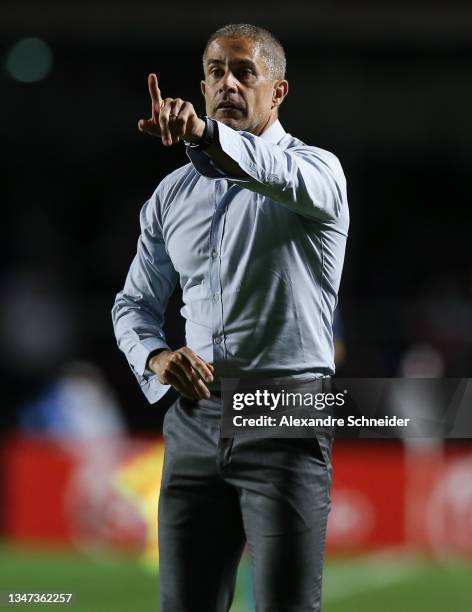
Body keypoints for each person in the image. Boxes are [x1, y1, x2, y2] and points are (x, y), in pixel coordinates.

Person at [112, 23, 349, 612]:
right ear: (202, 83)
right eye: (216, 71)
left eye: (245, 71)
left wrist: (204, 134)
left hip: (285, 411)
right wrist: (157, 356)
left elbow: (267, 170)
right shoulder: (172, 195)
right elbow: (132, 304)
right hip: (193, 421)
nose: (228, 83)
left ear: (278, 92)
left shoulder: (317, 173)